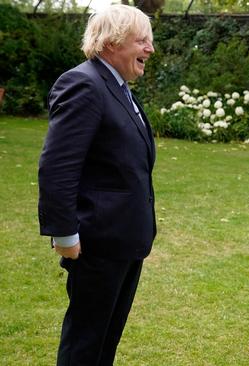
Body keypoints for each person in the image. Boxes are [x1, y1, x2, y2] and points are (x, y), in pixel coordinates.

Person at [38, 5, 156, 365]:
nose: (150, 49)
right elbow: (58, 166)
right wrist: (65, 235)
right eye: (142, 40)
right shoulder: (84, 83)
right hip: (97, 243)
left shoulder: (118, 87)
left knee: (104, 342)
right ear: (111, 42)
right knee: (85, 344)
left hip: (124, 241)